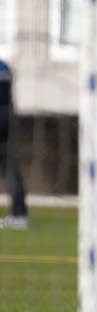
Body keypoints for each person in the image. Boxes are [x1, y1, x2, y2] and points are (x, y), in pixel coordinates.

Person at [0, 60, 28, 230]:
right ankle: (19, 214)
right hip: (7, 119)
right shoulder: (5, 67)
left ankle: (19, 215)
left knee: (9, 169)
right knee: (9, 169)